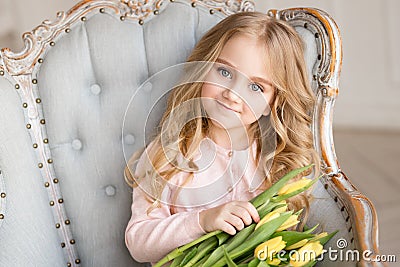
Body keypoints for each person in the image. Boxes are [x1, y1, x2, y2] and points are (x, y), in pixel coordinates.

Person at [124, 11, 319, 264]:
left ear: (273, 103)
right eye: (225, 73)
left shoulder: (278, 164)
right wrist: (202, 221)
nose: (233, 95)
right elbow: (138, 242)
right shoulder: (167, 155)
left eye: (256, 87)